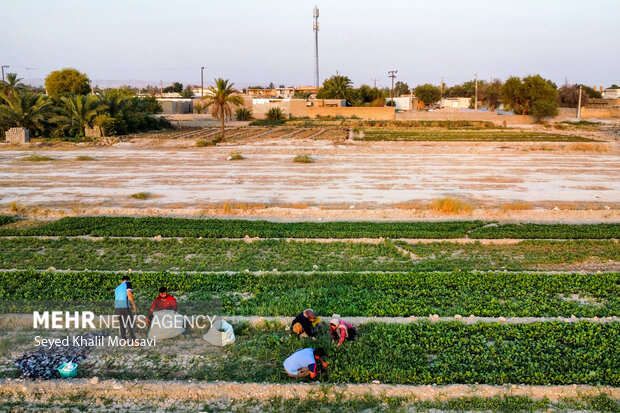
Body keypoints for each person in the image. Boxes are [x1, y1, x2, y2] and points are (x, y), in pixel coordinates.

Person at [114, 275, 137, 341]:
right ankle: (133, 340)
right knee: (131, 322)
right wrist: (134, 305)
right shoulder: (128, 283)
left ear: (121, 281)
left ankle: (124, 340)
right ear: (128, 280)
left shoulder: (117, 288)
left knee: (122, 323)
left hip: (117, 307)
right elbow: (129, 294)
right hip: (124, 306)